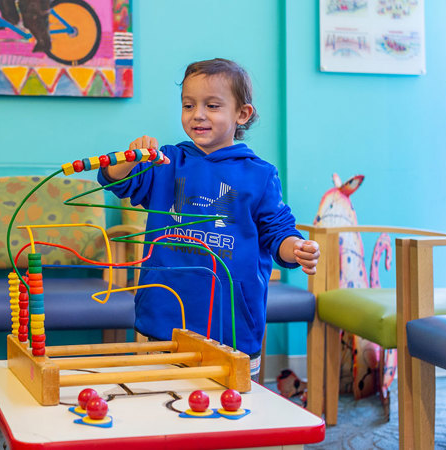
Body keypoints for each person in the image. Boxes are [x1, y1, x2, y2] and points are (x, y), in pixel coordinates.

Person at [97, 58, 319, 382]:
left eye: (212, 105)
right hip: (164, 320)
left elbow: (277, 230)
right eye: (189, 105)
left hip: (232, 325)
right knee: (160, 406)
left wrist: (295, 247)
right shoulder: (166, 161)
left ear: (242, 114)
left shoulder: (260, 174)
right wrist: (129, 162)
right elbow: (117, 182)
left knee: (232, 412)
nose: (198, 114)